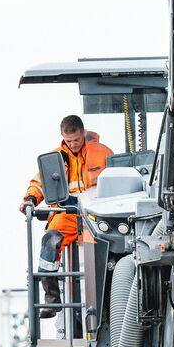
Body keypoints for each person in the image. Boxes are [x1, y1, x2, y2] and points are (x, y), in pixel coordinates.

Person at [21, 115, 112, 317]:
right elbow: (39, 183)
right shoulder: (54, 159)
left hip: (97, 212)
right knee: (50, 241)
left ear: (83, 133)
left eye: (76, 140)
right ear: (63, 137)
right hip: (67, 212)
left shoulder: (102, 153)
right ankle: (52, 301)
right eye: (68, 141)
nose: (72, 145)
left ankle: (108, 299)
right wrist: (30, 199)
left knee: (109, 250)